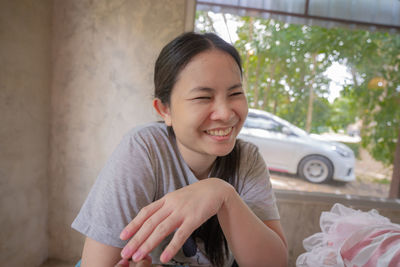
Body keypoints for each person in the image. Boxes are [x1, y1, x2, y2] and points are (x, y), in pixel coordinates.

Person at [72, 31, 288, 267]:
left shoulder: (247, 158)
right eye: (203, 97)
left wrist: (222, 194)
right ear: (165, 110)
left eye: (235, 93)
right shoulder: (144, 149)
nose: (226, 114)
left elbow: (275, 263)